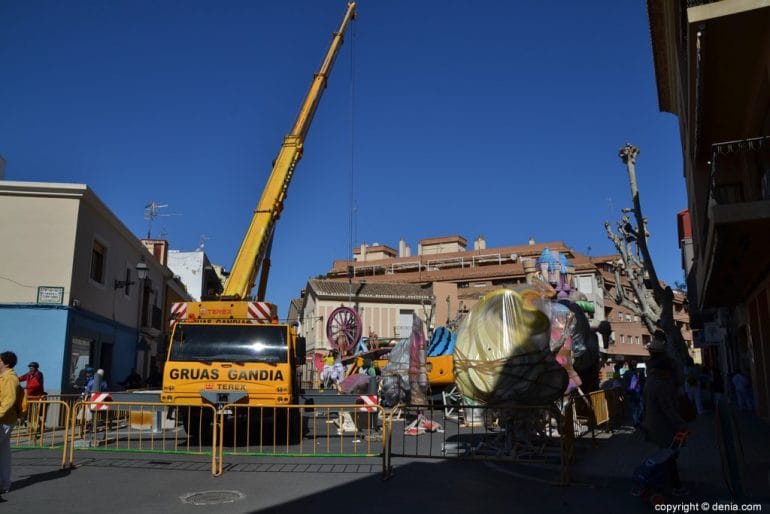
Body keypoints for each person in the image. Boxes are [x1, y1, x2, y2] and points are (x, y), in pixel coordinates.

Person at [642, 332, 689, 496]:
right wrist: (681, 424)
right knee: (669, 457)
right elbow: (667, 408)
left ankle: (666, 484)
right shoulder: (660, 384)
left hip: (656, 424)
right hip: (663, 426)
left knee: (667, 455)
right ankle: (673, 486)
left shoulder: (651, 381)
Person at [0, 351, 20, 498]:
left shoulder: (8, 379)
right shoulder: (7, 377)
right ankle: (4, 483)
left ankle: (4, 483)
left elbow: (8, 400)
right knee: (4, 453)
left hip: (4, 419)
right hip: (6, 419)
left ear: (5, 363)